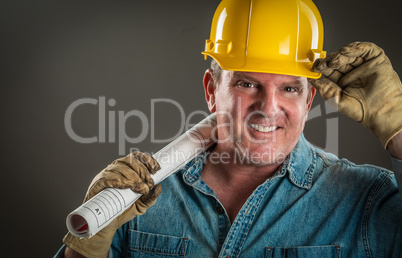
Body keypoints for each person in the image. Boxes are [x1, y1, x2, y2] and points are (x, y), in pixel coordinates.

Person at [56, 0, 402, 257]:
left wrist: (399, 130)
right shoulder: (139, 198)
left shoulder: (367, 200)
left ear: (309, 100)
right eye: (248, 84)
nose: (267, 108)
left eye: (289, 88)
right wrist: (87, 245)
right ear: (211, 90)